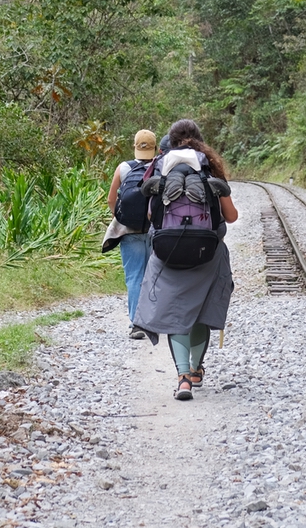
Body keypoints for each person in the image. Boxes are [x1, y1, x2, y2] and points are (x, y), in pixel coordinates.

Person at [133, 119, 238, 401]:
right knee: (201, 311)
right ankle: (195, 369)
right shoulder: (210, 168)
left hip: (167, 253)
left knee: (175, 312)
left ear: (170, 140)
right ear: (200, 141)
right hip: (209, 252)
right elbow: (231, 216)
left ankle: (182, 379)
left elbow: (151, 216)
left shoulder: (159, 166)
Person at [104, 129, 158, 339]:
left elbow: (111, 199)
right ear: (155, 148)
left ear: (134, 146)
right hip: (155, 231)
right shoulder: (161, 167)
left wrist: (122, 217)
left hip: (129, 231)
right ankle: (153, 321)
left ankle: (136, 324)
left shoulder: (123, 167)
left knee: (135, 276)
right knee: (154, 275)